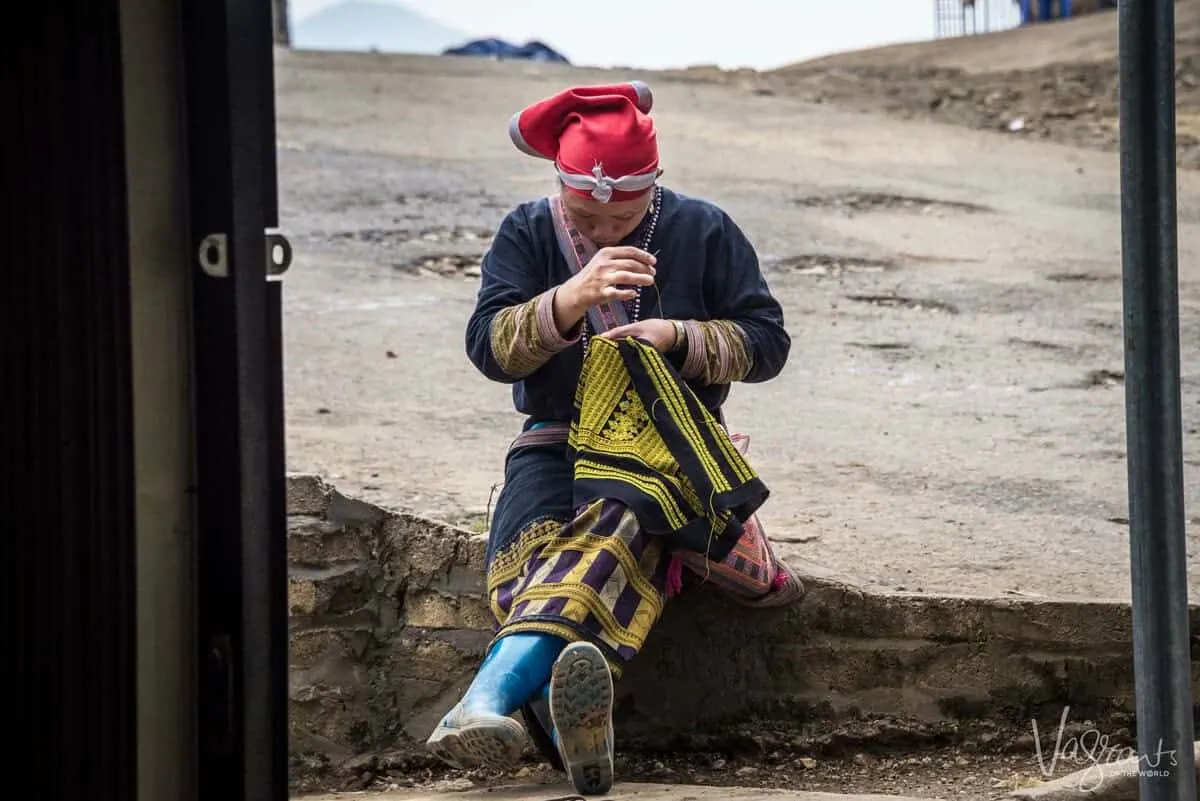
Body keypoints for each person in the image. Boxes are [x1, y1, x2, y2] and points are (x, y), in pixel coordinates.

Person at [425, 81, 804, 795]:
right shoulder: (528, 231)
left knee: (624, 514)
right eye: (584, 216)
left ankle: (486, 703)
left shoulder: (705, 229)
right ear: (559, 188)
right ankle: (576, 731)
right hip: (553, 442)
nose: (603, 232)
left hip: (666, 452)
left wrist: (676, 336)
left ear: (654, 185)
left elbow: (768, 342)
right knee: (528, 563)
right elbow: (488, 347)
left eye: (623, 218)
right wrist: (569, 299)